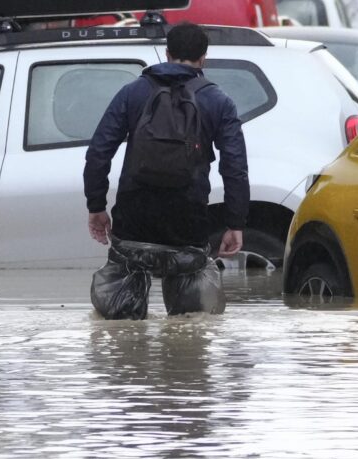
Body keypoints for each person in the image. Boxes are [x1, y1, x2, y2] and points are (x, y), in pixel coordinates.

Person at [82, 22, 249, 317]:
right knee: (191, 333)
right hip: (188, 225)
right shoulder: (218, 102)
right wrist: (235, 222)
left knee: (121, 334)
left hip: (133, 223)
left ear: (167, 53)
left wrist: (97, 206)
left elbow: (99, 152)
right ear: (203, 58)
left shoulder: (132, 93)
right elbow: (234, 167)